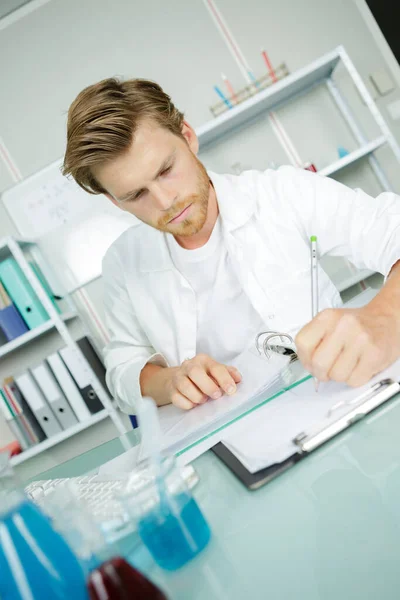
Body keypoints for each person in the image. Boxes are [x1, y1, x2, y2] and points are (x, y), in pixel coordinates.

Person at [63, 77, 400, 414]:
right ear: (115, 201)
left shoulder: (282, 193)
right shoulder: (123, 262)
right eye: (137, 195)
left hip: (337, 398)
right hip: (235, 432)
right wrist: (172, 381)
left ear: (187, 136)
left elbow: (391, 228)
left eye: (166, 169)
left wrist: (384, 317)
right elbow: (123, 368)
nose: (165, 201)